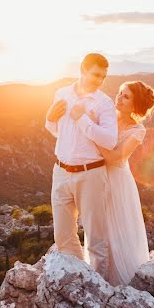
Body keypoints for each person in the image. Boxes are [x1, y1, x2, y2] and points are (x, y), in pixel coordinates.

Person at [44, 53, 117, 280]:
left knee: (96, 238)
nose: (98, 81)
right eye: (95, 74)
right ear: (83, 70)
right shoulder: (61, 94)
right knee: (63, 236)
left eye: (102, 77)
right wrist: (48, 118)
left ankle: (99, 288)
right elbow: (57, 130)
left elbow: (109, 140)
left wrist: (82, 119)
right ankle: (77, 281)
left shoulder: (104, 103)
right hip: (61, 172)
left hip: (91, 174)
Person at [97, 80, 154, 286]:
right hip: (97, 179)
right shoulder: (107, 118)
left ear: (135, 104)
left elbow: (116, 158)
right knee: (99, 228)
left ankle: (121, 283)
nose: (119, 98)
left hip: (119, 184)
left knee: (119, 229)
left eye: (126, 96)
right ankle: (98, 276)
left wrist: (92, 135)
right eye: (119, 93)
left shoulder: (137, 131)